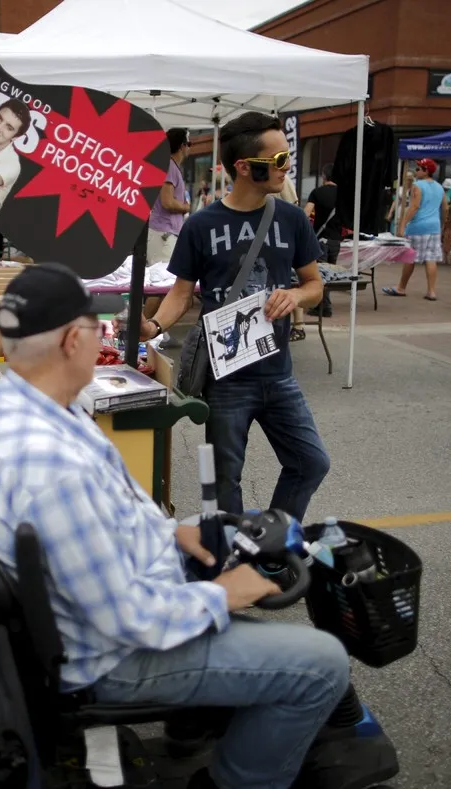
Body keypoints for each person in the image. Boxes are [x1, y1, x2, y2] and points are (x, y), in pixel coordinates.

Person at [0, 262, 349, 789]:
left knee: (213, 541)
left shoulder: (15, 404)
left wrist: (171, 533)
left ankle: (198, 722)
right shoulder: (52, 467)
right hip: (111, 658)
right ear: (74, 340)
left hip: (79, 614)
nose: (107, 332)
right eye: (97, 325)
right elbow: (131, 620)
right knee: (322, 663)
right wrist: (224, 596)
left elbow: (94, 523)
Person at [142, 111, 329, 524]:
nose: (287, 167)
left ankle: (272, 541)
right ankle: (232, 559)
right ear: (244, 167)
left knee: (311, 462)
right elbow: (180, 293)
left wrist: (296, 293)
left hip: (278, 373)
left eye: (287, 158)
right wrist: (153, 327)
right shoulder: (202, 225)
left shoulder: (291, 218)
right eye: (278, 161)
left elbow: (315, 285)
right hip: (227, 378)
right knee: (226, 485)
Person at [383, 157, 447, 301]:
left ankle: (401, 287)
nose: (416, 171)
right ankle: (431, 291)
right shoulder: (439, 187)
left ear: (426, 171)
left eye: (418, 169)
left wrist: (403, 224)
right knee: (431, 258)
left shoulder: (418, 186)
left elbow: (414, 206)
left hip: (419, 226)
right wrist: (442, 222)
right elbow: (445, 207)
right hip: (434, 226)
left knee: (410, 258)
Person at [303, 163, 343, 319]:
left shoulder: (317, 192)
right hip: (336, 239)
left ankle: (324, 307)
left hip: (320, 238)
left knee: (321, 274)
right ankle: (325, 304)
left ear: (324, 176)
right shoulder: (344, 194)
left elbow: (306, 214)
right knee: (331, 273)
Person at [147, 128, 192, 264]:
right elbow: (167, 202)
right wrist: (186, 207)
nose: (189, 148)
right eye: (189, 144)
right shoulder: (170, 166)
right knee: (163, 281)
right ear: (182, 146)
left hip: (165, 233)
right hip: (163, 234)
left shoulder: (170, 166)